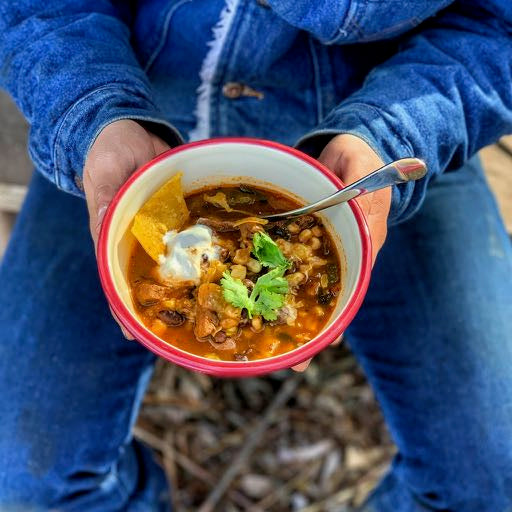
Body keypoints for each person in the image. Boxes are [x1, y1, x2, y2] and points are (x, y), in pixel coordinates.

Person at [0, 0, 511, 510]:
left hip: (385, 128)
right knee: (25, 483)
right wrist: (92, 109)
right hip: (127, 127)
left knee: (489, 479)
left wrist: (395, 133)